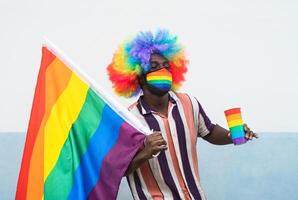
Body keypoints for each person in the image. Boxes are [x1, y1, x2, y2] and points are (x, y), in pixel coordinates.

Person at [107, 30, 258, 200]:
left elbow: (209, 131)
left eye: (166, 66)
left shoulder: (188, 102)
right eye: (154, 67)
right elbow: (118, 170)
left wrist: (233, 136)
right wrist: (146, 152)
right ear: (140, 78)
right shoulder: (129, 120)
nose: (163, 71)